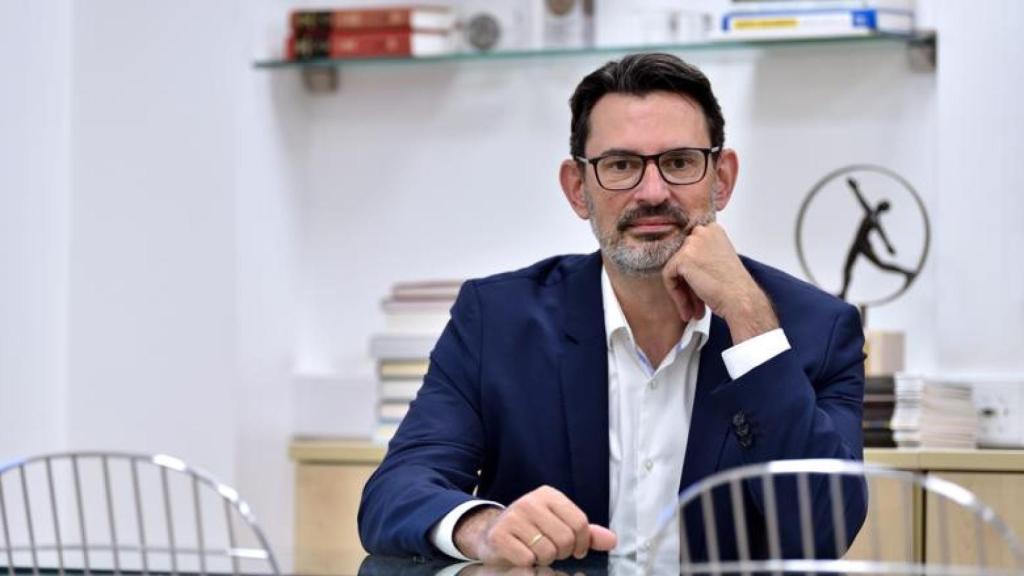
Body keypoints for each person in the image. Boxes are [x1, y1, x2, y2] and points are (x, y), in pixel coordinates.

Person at [358, 52, 866, 567]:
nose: (652, 192)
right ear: (578, 189)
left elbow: (825, 529)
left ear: (722, 179)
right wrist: (484, 528)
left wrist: (747, 317)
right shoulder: (496, 320)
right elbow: (394, 493)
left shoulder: (817, 331)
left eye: (680, 162)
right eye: (620, 165)